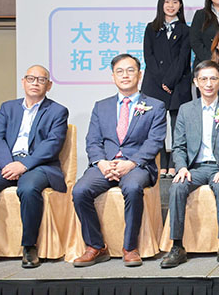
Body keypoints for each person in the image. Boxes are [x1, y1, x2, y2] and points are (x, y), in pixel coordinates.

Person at [0, 65, 69, 270]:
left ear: (49, 85)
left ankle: (29, 246)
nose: (35, 83)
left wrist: (23, 165)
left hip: (38, 165)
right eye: (31, 78)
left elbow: (53, 144)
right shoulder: (8, 107)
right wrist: (8, 165)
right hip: (7, 163)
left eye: (41, 80)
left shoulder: (58, 111)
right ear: (23, 82)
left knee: (28, 189)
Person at [71, 54, 166, 267]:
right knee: (80, 191)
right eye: (120, 71)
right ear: (113, 76)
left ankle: (130, 248)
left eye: (130, 70)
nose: (125, 75)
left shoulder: (155, 106)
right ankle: (95, 246)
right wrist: (101, 162)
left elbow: (155, 141)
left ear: (139, 75)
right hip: (106, 165)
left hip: (137, 166)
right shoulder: (101, 106)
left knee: (132, 188)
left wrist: (131, 163)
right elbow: (93, 140)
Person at [159, 60, 219, 269]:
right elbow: (178, 146)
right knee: (177, 187)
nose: (208, 83)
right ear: (196, 82)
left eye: (213, 78)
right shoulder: (186, 110)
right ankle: (177, 246)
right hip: (194, 168)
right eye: (204, 79)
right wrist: (181, 167)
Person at [142, 0, 192, 178]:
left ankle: (174, 164)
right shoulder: (151, 28)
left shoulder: (185, 30)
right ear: (161, 5)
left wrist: (170, 81)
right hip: (154, 83)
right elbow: (149, 57)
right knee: (156, 126)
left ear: (180, 6)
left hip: (178, 83)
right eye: (167, 1)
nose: (171, 6)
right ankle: (161, 162)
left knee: (178, 126)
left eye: (175, 2)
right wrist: (162, 81)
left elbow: (183, 58)